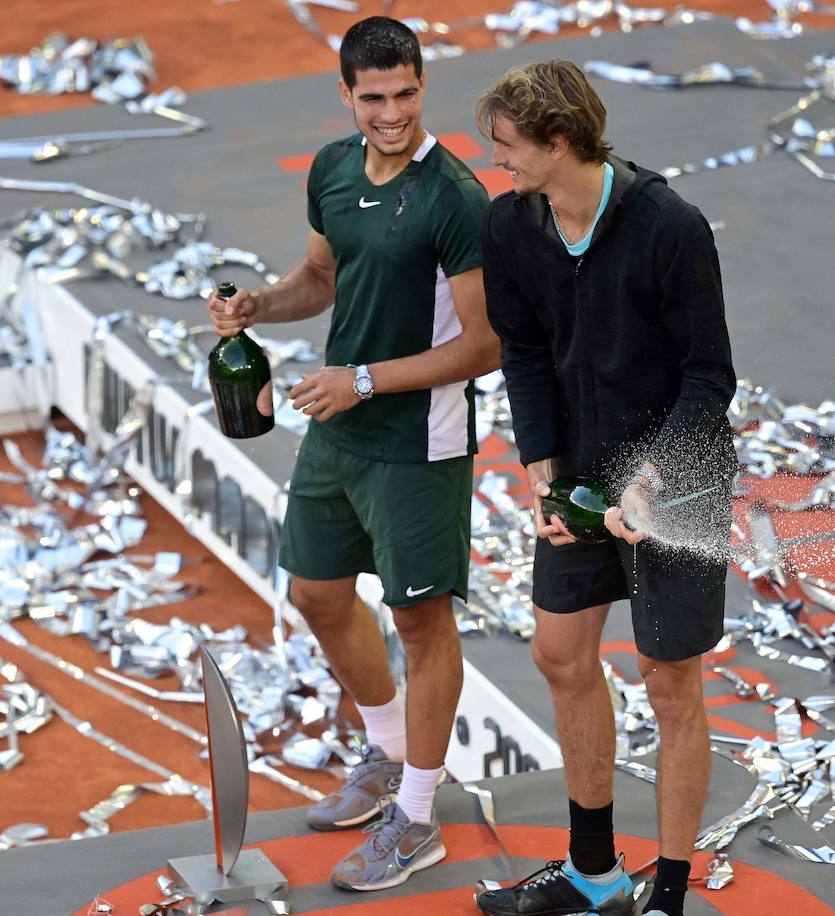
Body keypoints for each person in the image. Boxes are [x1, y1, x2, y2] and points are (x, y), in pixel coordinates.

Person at [205, 16, 497, 892]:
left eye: (406, 94)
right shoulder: (334, 170)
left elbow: (484, 347)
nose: (392, 113)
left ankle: (417, 814)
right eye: (374, 98)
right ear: (347, 95)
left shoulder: (455, 197)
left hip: (418, 438)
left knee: (421, 621)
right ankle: (388, 753)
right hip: (344, 426)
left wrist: (363, 381)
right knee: (318, 593)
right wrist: (259, 304)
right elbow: (322, 279)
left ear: (421, 88)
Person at [473, 60, 737, 916]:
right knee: (560, 654)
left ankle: (667, 894)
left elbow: (709, 378)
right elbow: (521, 350)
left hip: (680, 477)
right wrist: (544, 467)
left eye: (509, 148)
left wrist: (651, 481)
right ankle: (593, 874)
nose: (497, 162)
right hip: (579, 471)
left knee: (669, 681)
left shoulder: (669, 226)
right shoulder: (511, 227)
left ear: (559, 144)